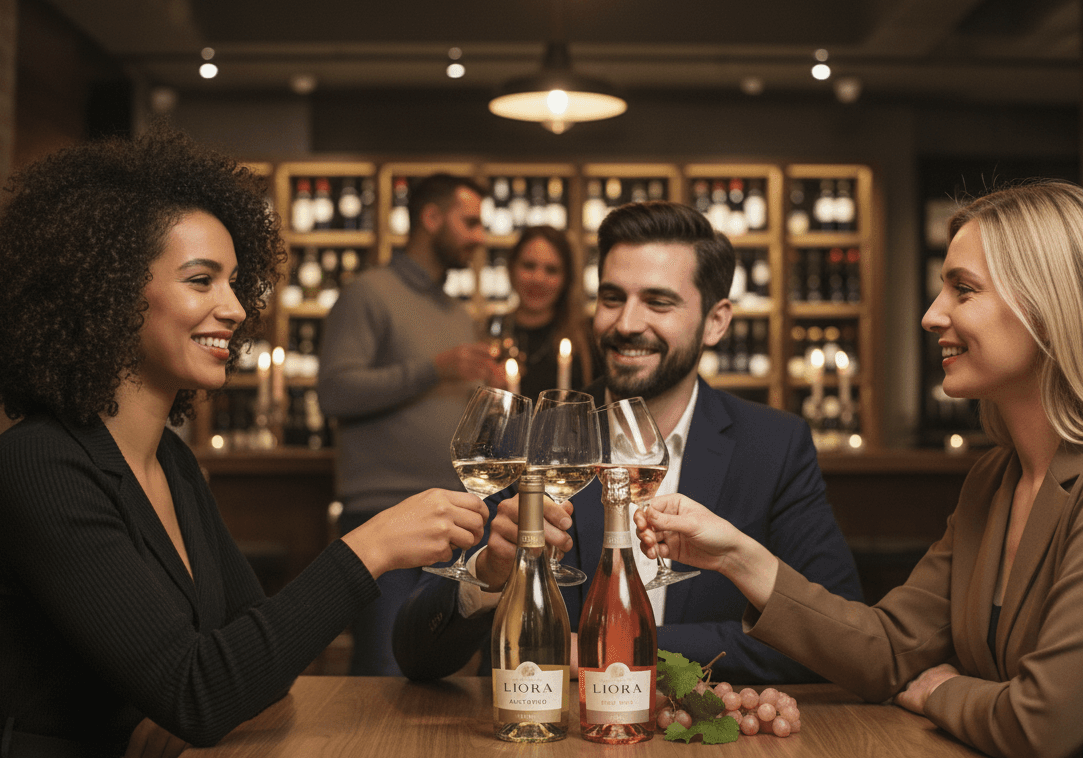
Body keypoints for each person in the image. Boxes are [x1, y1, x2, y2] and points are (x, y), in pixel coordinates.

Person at [0, 126, 487, 758]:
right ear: (110, 291)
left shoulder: (170, 461)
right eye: (203, 280)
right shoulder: (38, 466)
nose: (235, 309)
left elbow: (249, 662)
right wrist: (368, 548)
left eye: (235, 282)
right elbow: (200, 688)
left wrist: (176, 712)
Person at [635, 181, 1083, 758]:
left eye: (963, 288)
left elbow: (1044, 726)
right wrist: (737, 556)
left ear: (1051, 306)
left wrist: (939, 692)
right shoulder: (995, 478)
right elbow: (886, 651)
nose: (932, 314)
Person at [394, 200, 863, 684]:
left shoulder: (773, 446)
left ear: (717, 321)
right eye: (612, 298)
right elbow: (417, 656)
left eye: (658, 302)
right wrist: (486, 576)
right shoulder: (539, 437)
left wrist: (607, 651)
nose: (626, 324)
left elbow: (833, 639)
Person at [318, 172, 504, 676]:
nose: (479, 236)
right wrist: (434, 369)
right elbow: (334, 392)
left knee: (439, 677)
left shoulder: (457, 311)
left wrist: (493, 394)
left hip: (456, 518)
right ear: (431, 217)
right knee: (384, 675)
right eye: (470, 222)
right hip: (385, 517)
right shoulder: (368, 294)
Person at [494, 225, 595, 401]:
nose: (538, 279)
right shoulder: (491, 332)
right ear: (511, 269)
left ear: (566, 279)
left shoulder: (587, 338)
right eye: (529, 266)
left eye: (551, 270)